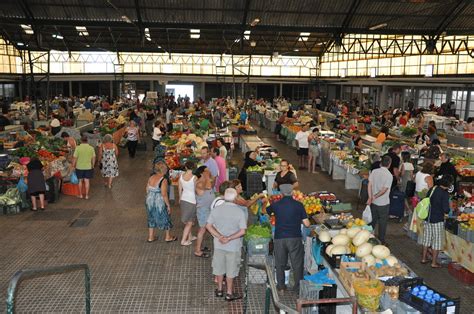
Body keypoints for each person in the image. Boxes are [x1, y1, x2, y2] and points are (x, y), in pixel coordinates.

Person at [266, 184, 310, 292]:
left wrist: (265, 202)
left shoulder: (276, 205)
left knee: (280, 263)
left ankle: (281, 286)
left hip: (280, 238)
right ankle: (297, 287)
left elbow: (265, 211)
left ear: (281, 193)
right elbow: (307, 224)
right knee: (297, 263)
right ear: (292, 192)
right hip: (295, 238)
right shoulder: (299, 205)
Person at [206, 188, 247, 301]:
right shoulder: (239, 212)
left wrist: (220, 237)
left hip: (219, 245)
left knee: (219, 268)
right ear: (235, 198)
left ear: (224, 196)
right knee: (231, 269)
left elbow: (208, 226)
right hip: (233, 246)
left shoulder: (216, 210)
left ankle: (219, 290)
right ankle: (229, 293)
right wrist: (229, 238)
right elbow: (242, 231)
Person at [420, 175, 453, 268]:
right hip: (437, 220)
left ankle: (423, 258)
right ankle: (434, 263)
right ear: (449, 184)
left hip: (428, 218)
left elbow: (427, 200)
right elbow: (446, 209)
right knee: (436, 241)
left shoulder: (433, 189)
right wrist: (449, 206)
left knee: (426, 239)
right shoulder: (444, 194)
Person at [145, 161, 176, 243]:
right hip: (159, 201)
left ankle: (151, 237)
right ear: (164, 170)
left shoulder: (151, 177)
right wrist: (168, 205)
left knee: (151, 216)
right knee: (165, 216)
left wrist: (150, 196)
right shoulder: (163, 180)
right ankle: (168, 237)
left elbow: (147, 189)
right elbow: (164, 194)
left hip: (149, 200)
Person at [367, 155, 393, 244]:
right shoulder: (389, 175)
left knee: (371, 221)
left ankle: (367, 237)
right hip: (383, 203)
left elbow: (369, 185)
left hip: (373, 202)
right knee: (382, 223)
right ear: (389, 164)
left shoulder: (374, 171)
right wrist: (375, 196)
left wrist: (371, 197)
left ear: (381, 163)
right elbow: (384, 190)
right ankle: (381, 240)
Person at [194, 166, 214, 258]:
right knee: (202, 230)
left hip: (208, 209)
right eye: (206, 171)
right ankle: (197, 251)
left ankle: (200, 247)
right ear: (202, 173)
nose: (209, 171)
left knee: (204, 229)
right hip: (203, 210)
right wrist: (207, 177)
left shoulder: (206, 180)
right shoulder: (199, 183)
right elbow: (208, 187)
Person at [178, 161, 197, 246]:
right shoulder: (194, 178)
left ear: (186, 167)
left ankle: (190, 236)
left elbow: (179, 188)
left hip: (183, 199)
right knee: (189, 222)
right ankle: (183, 240)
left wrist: (179, 198)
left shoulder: (181, 176)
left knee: (189, 219)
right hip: (192, 200)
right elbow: (196, 190)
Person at [72, 135, 96, 200]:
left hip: (79, 167)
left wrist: (73, 165)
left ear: (81, 141)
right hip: (88, 167)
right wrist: (93, 165)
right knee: (87, 181)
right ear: (87, 140)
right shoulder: (91, 148)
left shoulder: (78, 148)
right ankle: (87, 195)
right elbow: (93, 158)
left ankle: (81, 195)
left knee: (80, 181)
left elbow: (74, 158)